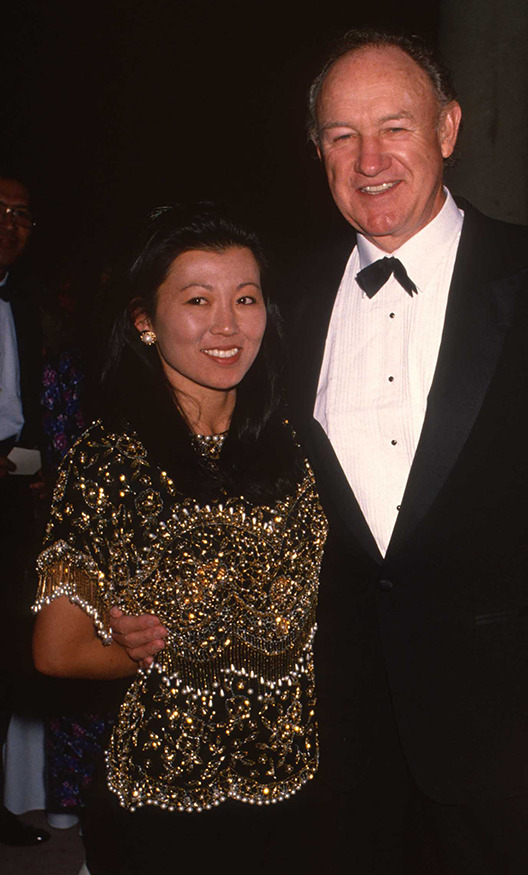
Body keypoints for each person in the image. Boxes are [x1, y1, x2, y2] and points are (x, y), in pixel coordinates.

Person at [112, 30, 528, 874]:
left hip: (505, 719)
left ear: (448, 129)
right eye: (340, 136)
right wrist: (128, 585)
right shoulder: (284, 293)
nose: (369, 159)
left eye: (394, 127)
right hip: (333, 719)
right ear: (317, 151)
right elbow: (215, 449)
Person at [32, 203, 327, 874]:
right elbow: (55, 648)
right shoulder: (108, 458)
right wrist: (131, 648)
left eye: (245, 298)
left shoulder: (298, 444)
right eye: (198, 300)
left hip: (298, 782)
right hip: (164, 795)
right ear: (144, 319)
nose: (227, 325)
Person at [0, 171, 50, 846]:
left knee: (11, 647)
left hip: (13, 491)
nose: (11, 225)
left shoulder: (27, 303)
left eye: (21, 214)